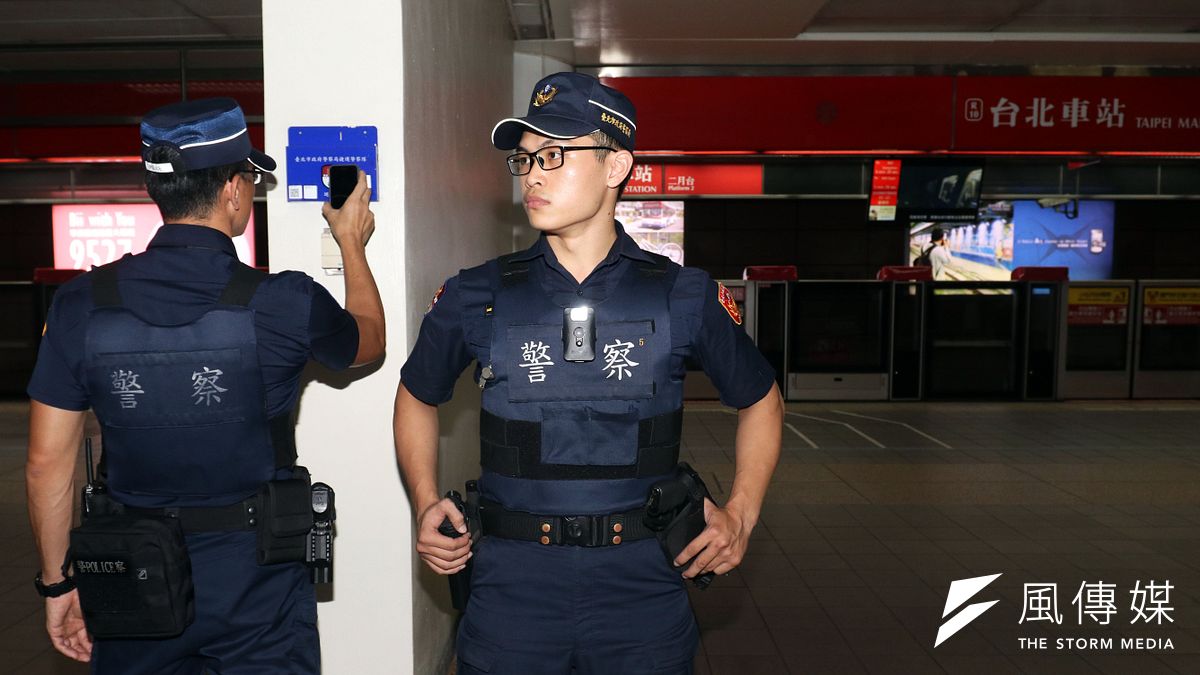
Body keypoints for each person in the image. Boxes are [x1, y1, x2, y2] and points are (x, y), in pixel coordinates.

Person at [394, 72, 783, 674]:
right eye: (524, 160)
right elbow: (417, 393)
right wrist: (424, 501)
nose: (533, 175)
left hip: (642, 587)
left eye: (554, 155)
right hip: (512, 589)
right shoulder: (477, 294)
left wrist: (741, 514)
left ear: (616, 166)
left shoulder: (682, 296)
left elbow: (761, 399)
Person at [25, 97, 384, 673]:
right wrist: (350, 243)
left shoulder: (79, 306)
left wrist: (57, 583)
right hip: (256, 579)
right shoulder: (283, 302)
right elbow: (369, 340)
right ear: (234, 191)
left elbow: (47, 463)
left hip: (134, 573)